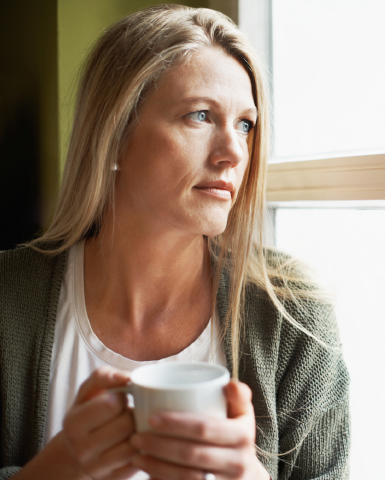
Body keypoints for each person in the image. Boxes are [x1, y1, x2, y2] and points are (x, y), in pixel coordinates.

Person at [0, 5, 349, 480]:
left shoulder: (293, 316)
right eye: (200, 116)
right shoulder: (6, 298)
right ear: (116, 135)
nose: (233, 153)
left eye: (245, 124)